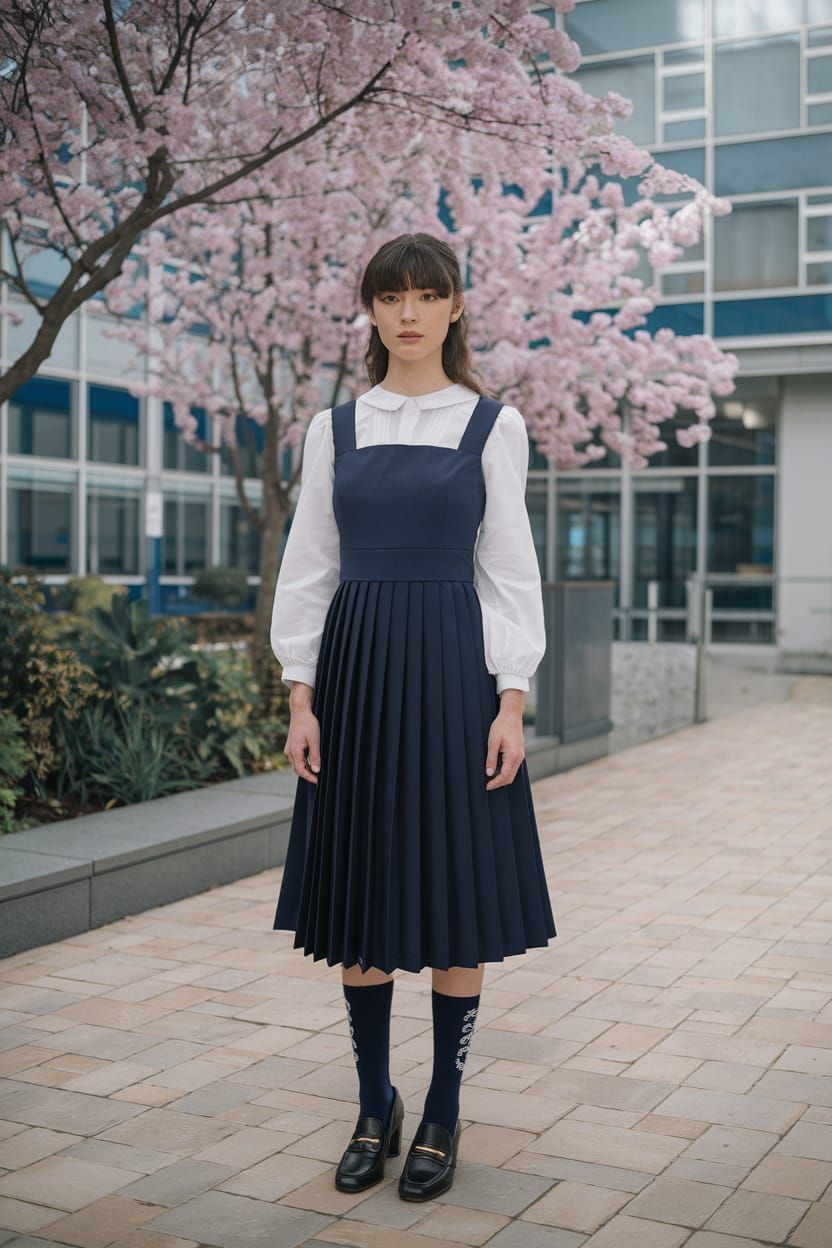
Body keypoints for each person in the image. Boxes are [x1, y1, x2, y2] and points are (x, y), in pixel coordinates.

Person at [270, 232, 557, 1201]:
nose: (406, 312)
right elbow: (308, 570)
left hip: (450, 682)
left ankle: (441, 1107)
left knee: (454, 906)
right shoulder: (333, 430)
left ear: (454, 307)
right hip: (352, 683)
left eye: (424, 295)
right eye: (389, 295)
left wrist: (510, 701)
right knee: (359, 904)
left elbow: (508, 574)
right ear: (372, 310)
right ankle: (371, 1101)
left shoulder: (491, 426)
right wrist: (301, 697)